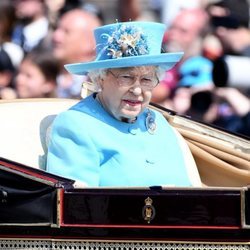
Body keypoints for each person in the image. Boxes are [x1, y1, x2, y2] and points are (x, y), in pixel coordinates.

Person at [46, 21, 201, 187]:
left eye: (146, 80)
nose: (137, 90)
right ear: (100, 78)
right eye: (126, 77)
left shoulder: (159, 123)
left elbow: (187, 191)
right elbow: (76, 205)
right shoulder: (76, 125)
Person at [51, 8, 102, 98]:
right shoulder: (44, 73)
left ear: (90, 41)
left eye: (66, 31)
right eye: (57, 29)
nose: (56, 36)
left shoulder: (101, 85)